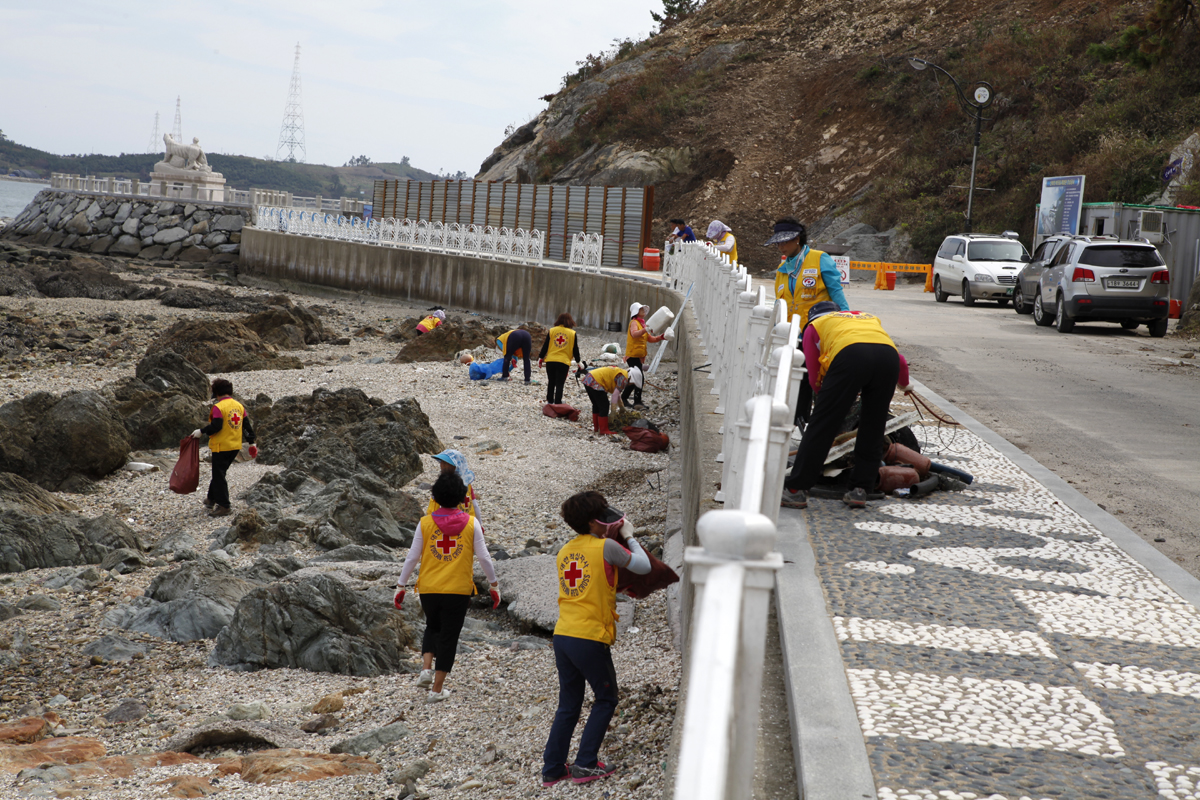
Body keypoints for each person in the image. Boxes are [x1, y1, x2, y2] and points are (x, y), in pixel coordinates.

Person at [541, 491, 651, 787]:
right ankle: (586, 764)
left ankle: (552, 768)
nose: (610, 524)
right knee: (606, 698)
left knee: (569, 703)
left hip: (563, 634)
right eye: (605, 520)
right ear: (594, 523)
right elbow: (644, 566)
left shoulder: (565, 551)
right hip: (589, 637)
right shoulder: (606, 548)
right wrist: (629, 536)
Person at [780, 302, 911, 510]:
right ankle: (860, 490)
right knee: (874, 426)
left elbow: (814, 376)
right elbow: (900, 361)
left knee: (822, 425)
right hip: (888, 360)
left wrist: (828, 399)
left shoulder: (814, 327)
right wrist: (905, 385)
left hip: (850, 357)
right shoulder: (866, 318)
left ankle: (796, 490)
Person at [394, 472, 500, 703]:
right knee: (449, 636)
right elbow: (484, 558)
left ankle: (425, 669)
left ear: (436, 497)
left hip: (429, 588)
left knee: (432, 626)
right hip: (458, 589)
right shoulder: (472, 524)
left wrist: (401, 585)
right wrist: (493, 585)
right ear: (463, 498)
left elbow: (412, 557)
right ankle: (436, 690)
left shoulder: (425, 523)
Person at [765, 217, 850, 427]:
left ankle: (809, 421)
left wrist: (846, 319)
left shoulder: (820, 259)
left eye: (785, 241)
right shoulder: (782, 269)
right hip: (792, 335)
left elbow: (836, 292)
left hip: (817, 332)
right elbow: (780, 303)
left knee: (811, 379)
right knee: (794, 379)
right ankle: (797, 421)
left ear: (798, 239)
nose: (780, 246)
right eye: (778, 242)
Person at [191, 378, 256, 518]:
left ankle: (224, 505)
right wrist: (252, 443)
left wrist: (201, 431)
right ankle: (211, 499)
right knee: (219, 473)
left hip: (221, 447)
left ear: (216, 393)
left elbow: (216, 426)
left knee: (219, 475)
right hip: (235, 446)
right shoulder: (239, 406)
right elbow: (247, 427)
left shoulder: (218, 408)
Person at [622, 303, 664, 410]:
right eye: (641, 310)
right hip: (632, 355)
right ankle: (637, 402)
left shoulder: (643, 324)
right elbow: (634, 334)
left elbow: (650, 339)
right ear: (636, 312)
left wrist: (662, 337)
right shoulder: (634, 323)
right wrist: (645, 330)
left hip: (638, 356)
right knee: (639, 378)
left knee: (635, 377)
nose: (644, 311)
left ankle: (624, 398)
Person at [582, 364, 641, 435]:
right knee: (604, 405)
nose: (631, 384)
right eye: (633, 383)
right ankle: (604, 430)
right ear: (631, 378)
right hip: (596, 381)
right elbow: (615, 395)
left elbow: (617, 393)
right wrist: (613, 412)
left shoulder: (622, 373)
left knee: (596, 404)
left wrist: (621, 407)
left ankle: (596, 428)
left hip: (588, 378)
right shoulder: (624, 379)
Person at [538, 313, 581, 404]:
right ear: (570, 321)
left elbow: (546, 345)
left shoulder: (552, 330)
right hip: (563, 362)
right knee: (560, 383)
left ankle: (549, 401)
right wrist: (578, 361)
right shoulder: (572, 333)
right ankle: (558, 402)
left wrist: (541, 357)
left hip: (550, 361)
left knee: (551, 382)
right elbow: (575, 349)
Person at [428, 450, 482, 518]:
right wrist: (478, 524)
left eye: (445, 463)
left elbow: (436, 508)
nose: (442, 465)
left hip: (447, 523)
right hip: (468, 523)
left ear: (456, 466)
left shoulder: (444, 486)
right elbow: (475, 505)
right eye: (441, 462)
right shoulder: (467, 483)